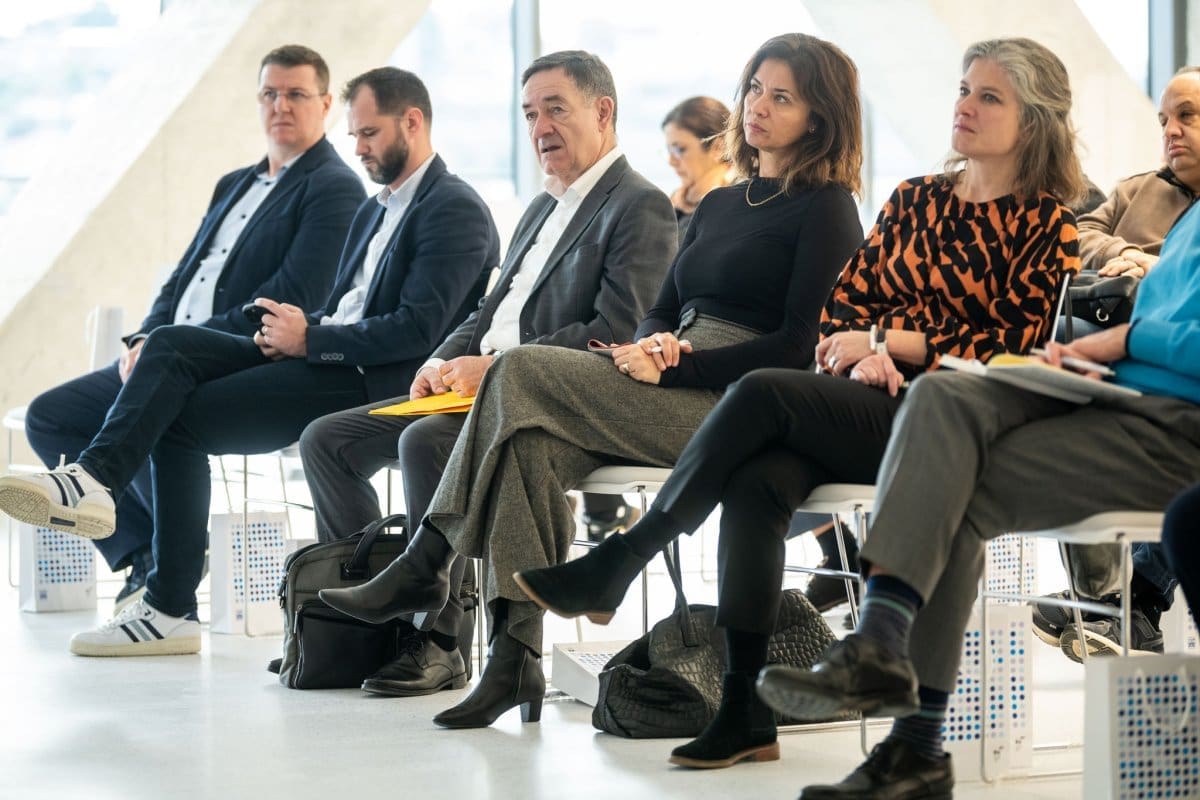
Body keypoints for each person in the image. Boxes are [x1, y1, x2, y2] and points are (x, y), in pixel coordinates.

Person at [517, 36, 1084, 773]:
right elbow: (843, 308)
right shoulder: (916, 198)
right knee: (758, 483)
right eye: (963, 89)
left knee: (759, 391)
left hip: (947, 421)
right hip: (864, 401)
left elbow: (1018, 346)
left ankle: (627, 554)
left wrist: (894, 343)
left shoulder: (1047, 223)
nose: (964, 106)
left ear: (1032, 121)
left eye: (989, 96)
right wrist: (863, 348)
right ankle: (743, 710)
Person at [319, 33, 866, 731]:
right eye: (755, 88)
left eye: (781, 97)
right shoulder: (722, 204)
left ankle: (427, 559)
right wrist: (652, 347)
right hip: (667, 369)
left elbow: (798, 347)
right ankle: (514, 661)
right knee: (528, 449)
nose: (757, 106)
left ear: (818, 118)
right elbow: (664, 307)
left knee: (515, 368)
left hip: (738, 403)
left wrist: (679, 363)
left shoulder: (827, 207)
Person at [0, 67, 500, 657]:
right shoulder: (375, 211)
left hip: (367, 379)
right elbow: (343, 306)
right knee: (168, 343)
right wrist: (294, 328)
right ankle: (94, 481)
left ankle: (167, 606)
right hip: (325, 355)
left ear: (412, 122)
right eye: (355, 136)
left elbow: (420, 331)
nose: (359, 148)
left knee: (178, 418)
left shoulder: (453, 208)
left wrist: (311, 340)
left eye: (369, 134)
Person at [755, 197, 1200, 800]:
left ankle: (904, 718)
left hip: (1179, 428)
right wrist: (1094, 349)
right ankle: (891, 673)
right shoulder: (1191, 219)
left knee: (953, 479)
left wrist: (1124, 340)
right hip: (1121, 397)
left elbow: (1167, 339)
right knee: (941, 400)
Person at [297, 50, 677, 697]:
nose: (539, 128)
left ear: (602, 112)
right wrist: (439, 363)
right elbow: (488, 311)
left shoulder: (637, 205)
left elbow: (618, 330)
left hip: (550, 402)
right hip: (473, 390)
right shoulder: (540, 207)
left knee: (425, 442)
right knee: (326, 440)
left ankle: (441, 639)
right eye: (529, 114)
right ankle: (377, 628)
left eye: (555, 109)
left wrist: (495, 368)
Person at [20, 44, 364, 612]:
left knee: (159, 405)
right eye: (270, 93)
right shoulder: (234, 183)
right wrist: (145, 338)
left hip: (239, 353)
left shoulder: (333, 186)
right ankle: (142, 551)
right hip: (167, 352)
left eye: (296, 94)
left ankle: (157, 553)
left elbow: (294, 296)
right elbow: (182, 276)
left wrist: (174, 343)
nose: (280, 105)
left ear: (326, 104)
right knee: (51, 417)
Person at [1033, 65, 1200, 661]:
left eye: (1187, 116)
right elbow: (1077, 233)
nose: (1171, 131)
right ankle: (1110, 599)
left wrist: (1155, 271)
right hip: (1114, 355)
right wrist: (1125, 252)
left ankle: (1127, 601)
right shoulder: (1137, 191)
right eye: (1164, 120)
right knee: (1049, 408)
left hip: (1162, 375)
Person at [662, 95, 732, 238]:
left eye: (680, 149)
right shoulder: (675, 202)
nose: (671, 161)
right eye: (669, 151)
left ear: (718, 147)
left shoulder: (736, 204)